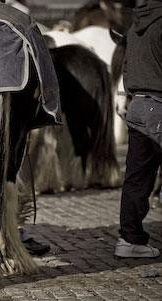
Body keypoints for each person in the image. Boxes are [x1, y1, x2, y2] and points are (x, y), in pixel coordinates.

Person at [115, 0, 162, 258]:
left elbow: (125, 66)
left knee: (137, 178)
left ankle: (129, 240)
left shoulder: (134, 26)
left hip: (138, 105)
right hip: (159, 103)